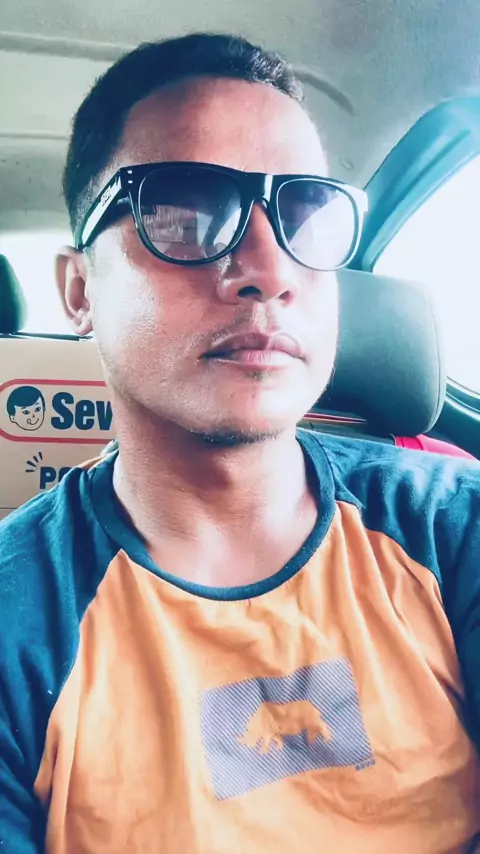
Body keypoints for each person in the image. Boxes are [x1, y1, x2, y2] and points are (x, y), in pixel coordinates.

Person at [0, 32, 479, 854]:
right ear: (79, 291)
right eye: (184, 213)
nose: (269, 268)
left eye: (305, 214)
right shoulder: (19, 621)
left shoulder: (453, 527)